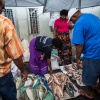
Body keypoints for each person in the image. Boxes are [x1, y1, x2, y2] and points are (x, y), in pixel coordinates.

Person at [68, 8, 100, 99]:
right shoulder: (93, 16)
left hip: (93, 52)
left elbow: (79, 45)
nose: (72, 23)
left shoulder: (79, 23)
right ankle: (99, 87)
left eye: (71, 20)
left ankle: (89, 92)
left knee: (89, 72)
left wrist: (77, 59)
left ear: (74, 16)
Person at [0, 0, 27, 100]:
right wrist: (23, 71)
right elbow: (15, 54)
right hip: (2, 75)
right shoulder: (4, 23)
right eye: (3, 8)